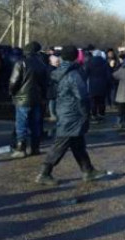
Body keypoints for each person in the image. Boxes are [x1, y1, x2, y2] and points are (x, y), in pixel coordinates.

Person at [36, 46, 109, 186]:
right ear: (76, 56)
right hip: (72, 114)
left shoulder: (61, 71)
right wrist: (85, 113)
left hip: (66, 111)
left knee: (78, 144)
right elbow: (82, 97)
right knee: (60, 145)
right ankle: (44, 173)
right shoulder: (73, 74)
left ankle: (88, 170)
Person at [9, 41, 48, 158]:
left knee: (21, 123)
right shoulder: (42, 65)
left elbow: (13, 81)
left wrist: (11, 92)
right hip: (36, 98)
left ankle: (21, 148)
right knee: (35, 123)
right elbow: (44, 84)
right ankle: (35, 147)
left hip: (22, 97)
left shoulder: (21, 63)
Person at [87, 50, 111, 122]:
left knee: (93, 101)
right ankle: (101, 114)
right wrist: (109, 84)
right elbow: (108, 75)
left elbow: (85, 73)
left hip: (92, 84)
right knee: (102, 101)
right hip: (102, 84)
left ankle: (94, 115)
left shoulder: (89, 62)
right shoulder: (105, 62)